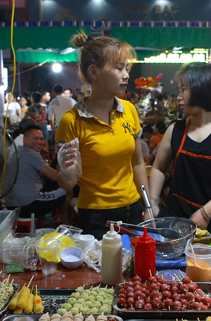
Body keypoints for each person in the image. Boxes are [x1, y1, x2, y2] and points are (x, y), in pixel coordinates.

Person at [55, 34, 150, 239]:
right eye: (119, 68)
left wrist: (148, 206)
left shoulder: (130, 110)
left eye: (127, 68)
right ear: (94, 72)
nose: (126, 75)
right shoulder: (71, 121)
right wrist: (68, 174)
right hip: (95, 218)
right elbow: (65, 182)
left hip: (133, 212)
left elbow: (137, 163)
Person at [149, 63, 211, 239]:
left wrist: (205, 212)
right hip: (176, 218)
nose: (179, 96)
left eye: (184, 90)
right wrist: (153, 203)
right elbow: (158, 168)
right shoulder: (175, 129)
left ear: (202, 90)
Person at [4, 125, 65, 218]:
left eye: (41, 139)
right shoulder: (31, 154)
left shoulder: (16, 151)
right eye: (35, 138)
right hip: (28, 204)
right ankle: (65, 221)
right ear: (25, 139)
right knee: (67, 190)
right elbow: (57, 177)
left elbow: (33, 173)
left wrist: (43, 158)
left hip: (11, 204)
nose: (39, 142)